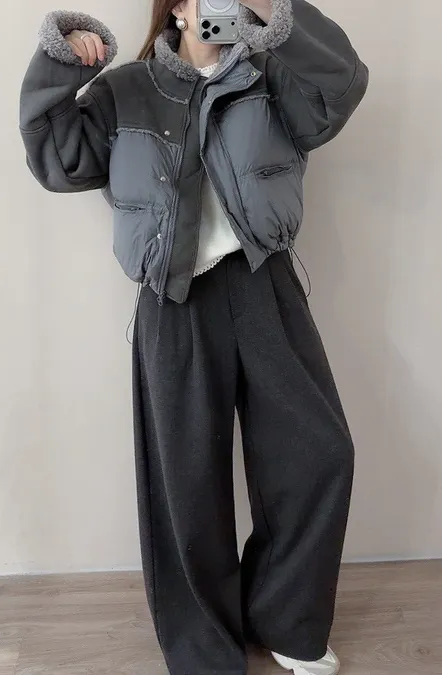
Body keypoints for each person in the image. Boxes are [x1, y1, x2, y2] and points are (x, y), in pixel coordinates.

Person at [19, 1, 368, 673]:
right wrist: (65, 58)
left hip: (264, 283)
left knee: (318, 454)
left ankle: (287, 620)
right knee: (184, 478)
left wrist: (277, 11)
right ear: (177, 7)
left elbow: (343, 86)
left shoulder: (271, 77)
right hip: (172, 298)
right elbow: (56, 159)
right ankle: (203, 646)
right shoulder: (126, 91)